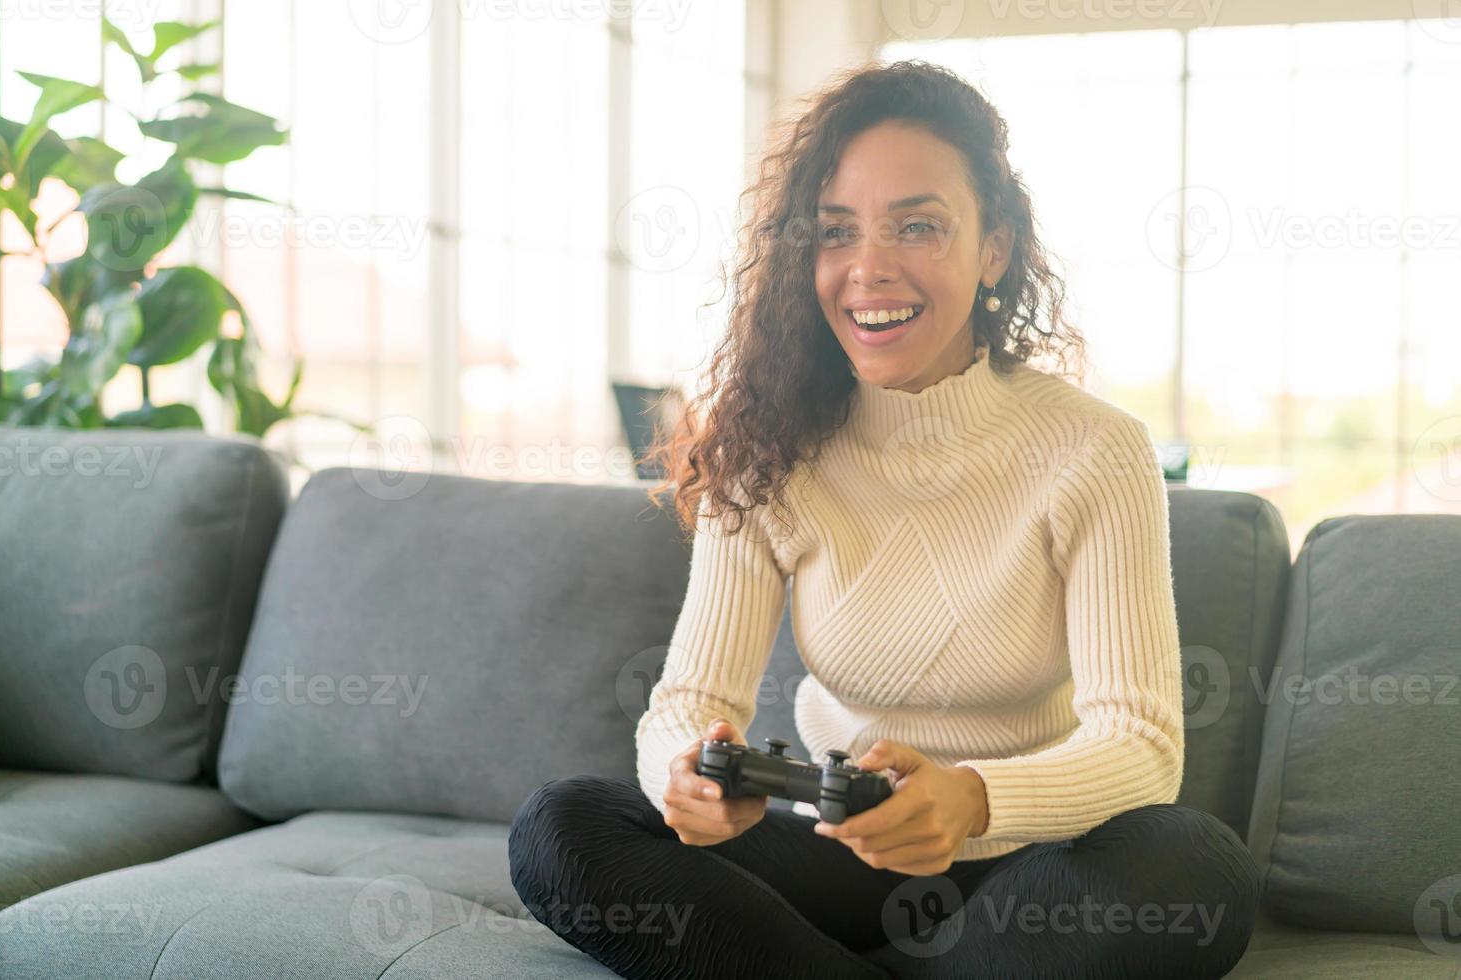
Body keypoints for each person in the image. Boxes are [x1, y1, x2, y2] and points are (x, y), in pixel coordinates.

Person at [509, 59, 1261, 979]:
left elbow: (1140, 747)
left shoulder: (1094, 451)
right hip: (834, 853)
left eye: (918, 225)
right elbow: (689, 705)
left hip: (1024, 867)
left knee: (1195, 867)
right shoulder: (768, 444)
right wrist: (691, 776)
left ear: (994, 248)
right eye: (837, 232)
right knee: (564, 825)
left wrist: (973, 800)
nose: (869, 268)